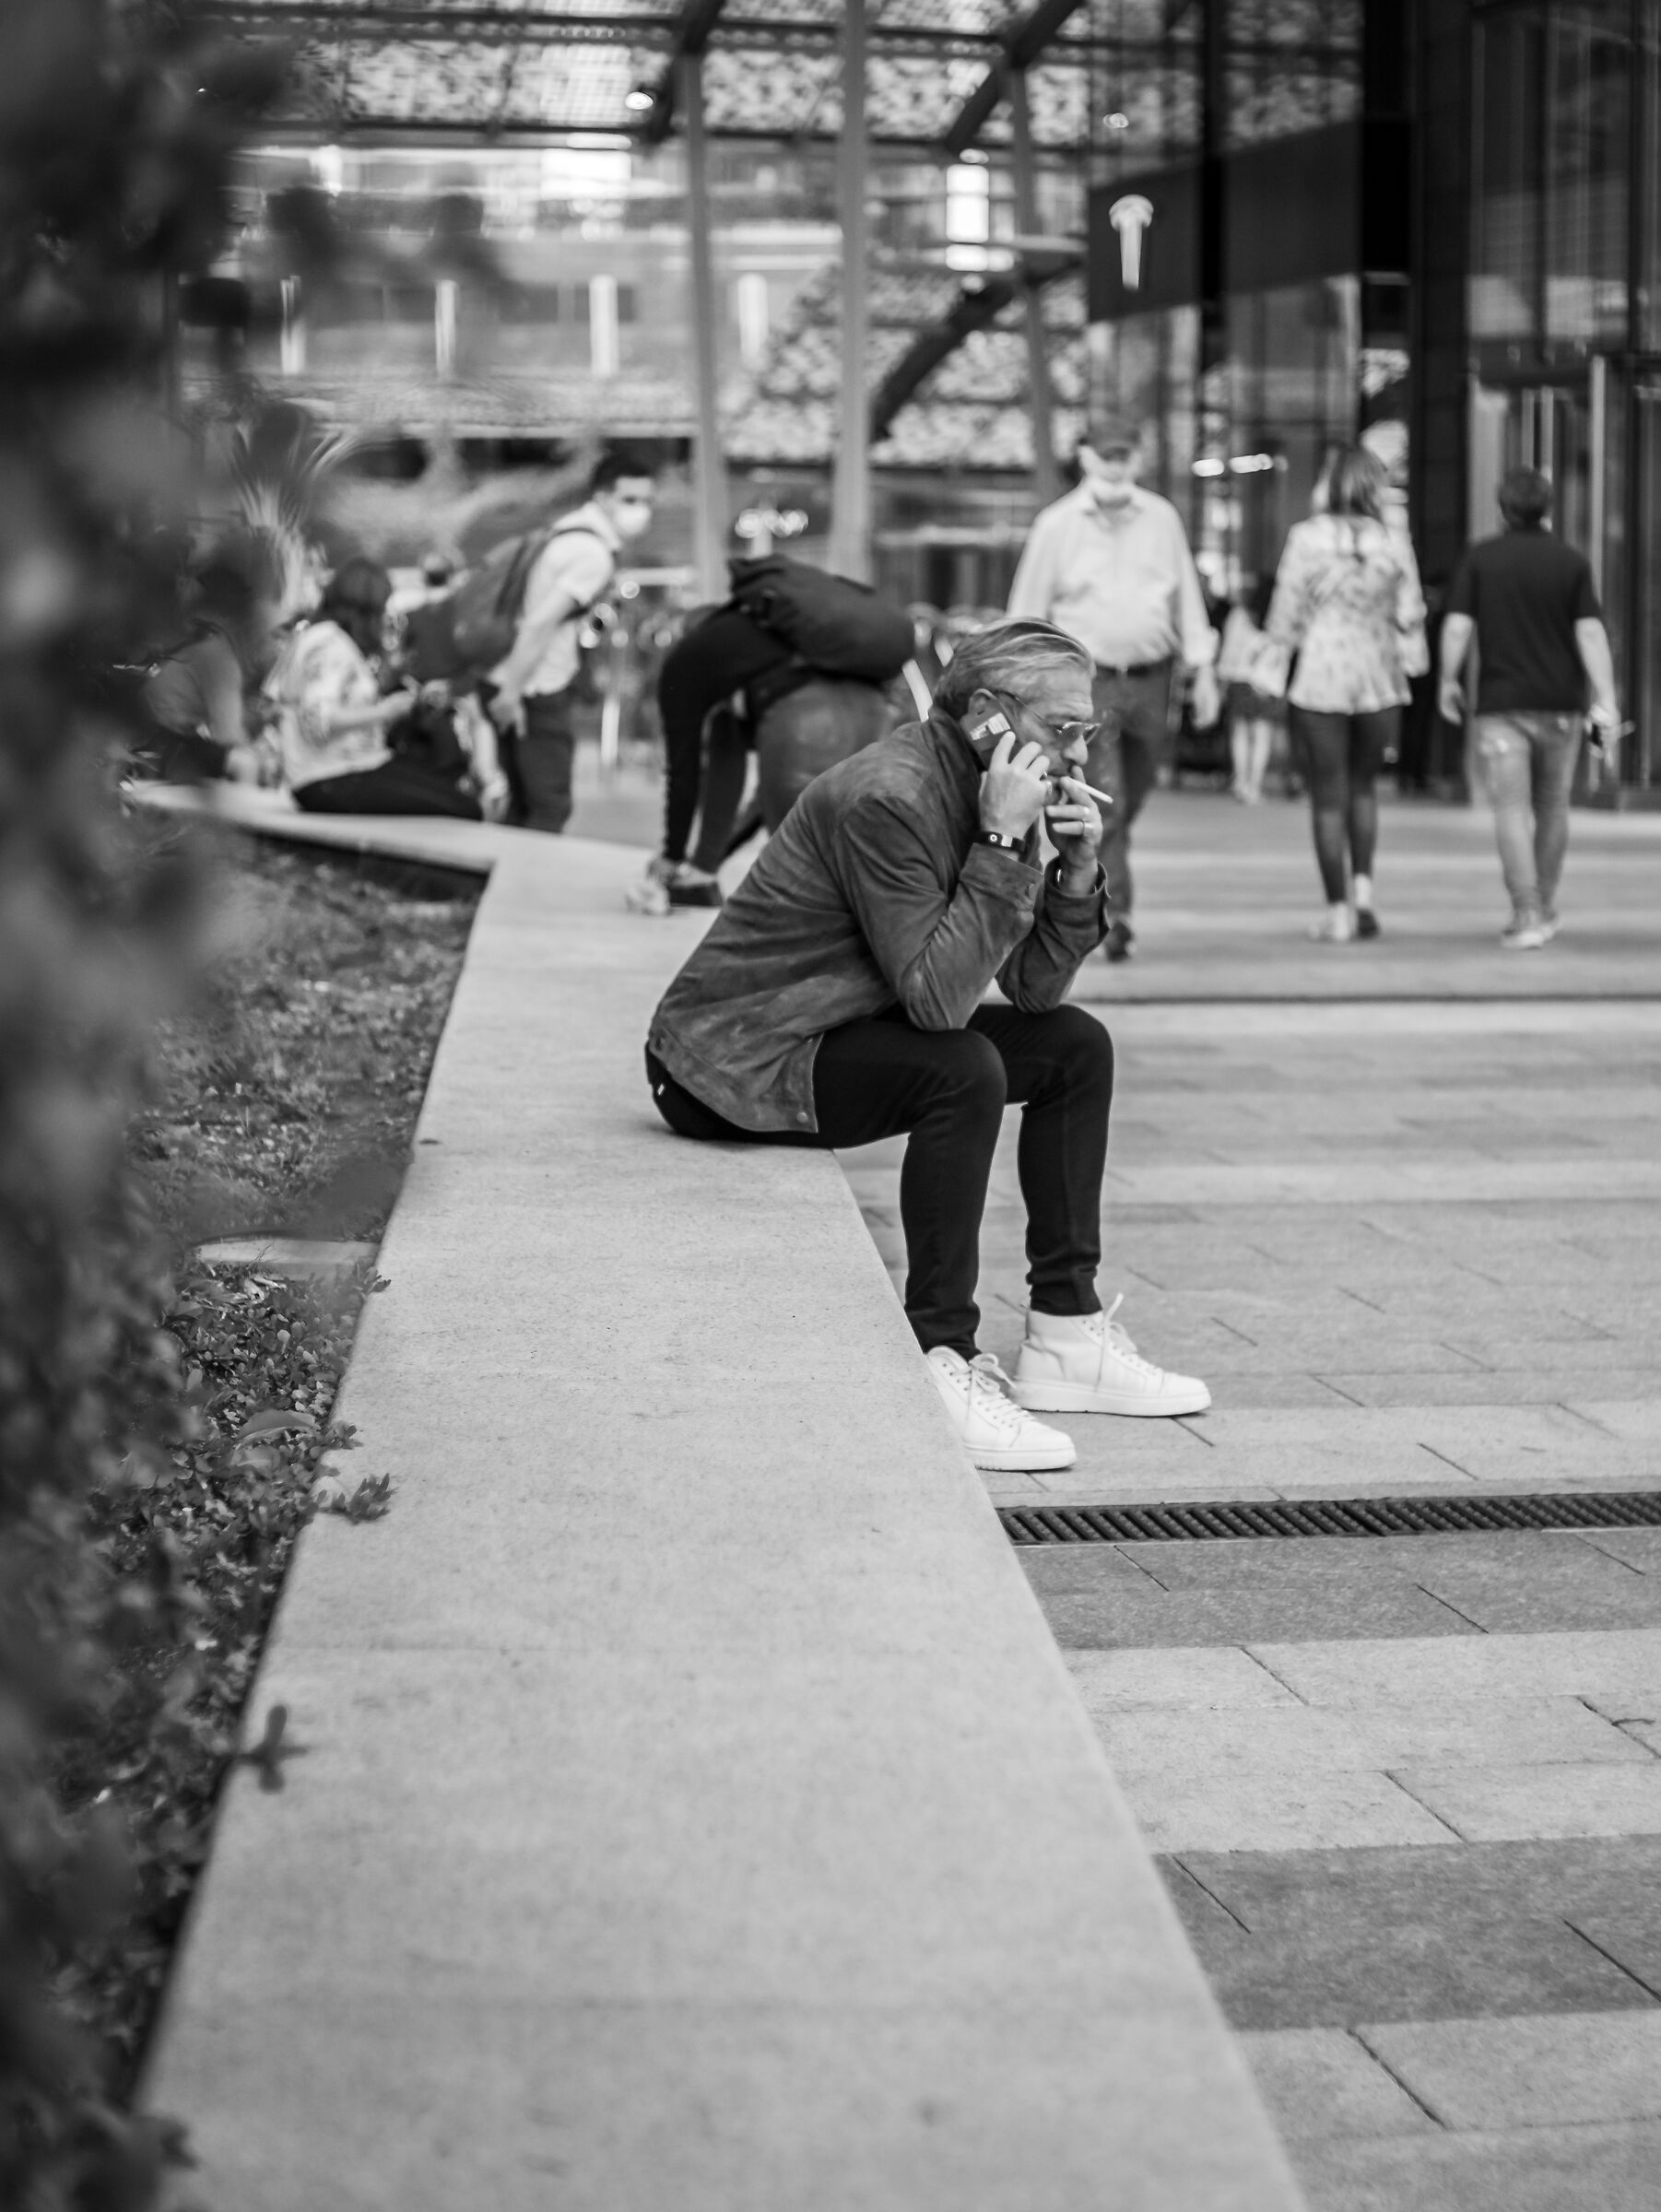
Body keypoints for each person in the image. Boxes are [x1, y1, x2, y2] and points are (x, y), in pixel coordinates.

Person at [643, 618, 1210, 1475]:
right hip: (732, 1063)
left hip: (843, 1024)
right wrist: (998, 842)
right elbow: (942, 1005)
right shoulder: (893, 797)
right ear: (987, 714)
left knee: (1075, 1047)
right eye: (1063, 731)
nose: (1080, 756)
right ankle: (942, 1352)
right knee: (962, 1070)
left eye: (1088, 733)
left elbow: (1034, 994)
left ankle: (1064, 1333)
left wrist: (1075, 872)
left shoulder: (988, 791)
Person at [1007, 411, 1220, 961]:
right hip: (1085, 686)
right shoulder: (1057, 525)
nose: (1116, 465)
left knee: (1138, 789)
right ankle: (1114, 911)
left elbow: (1187, 602)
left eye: (1125, 455)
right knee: (1109, 798)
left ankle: (1101, 884)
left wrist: (1205, 671)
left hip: (1153, 679)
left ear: (1139, 459)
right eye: (1107, 456)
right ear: (1085, 457)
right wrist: (1020, 685)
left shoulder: (1162, 518)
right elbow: (1026, 609)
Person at [1438, 466, 1621, 949]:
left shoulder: (1482, 559)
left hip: (1501, 705)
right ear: (1549, 508)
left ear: (1502, 508)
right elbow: (1590, 632)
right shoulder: (1571, 562)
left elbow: (1457, 626)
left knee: (1511, 808)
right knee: (1553, 806)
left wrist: (1446, 680)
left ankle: (1526, 911)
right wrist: (1607, 696)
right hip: (1562, 705)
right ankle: (1544, 903)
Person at [1263, 446, 1426, 942]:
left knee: (1328, 796)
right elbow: (1411, 611)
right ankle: (1364, 896)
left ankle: (1337, 912)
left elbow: (1285, 613)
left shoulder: (1306, 538)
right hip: (1379, 678)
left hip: (1321, 677)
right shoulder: (1393, 541)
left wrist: (1274, 657)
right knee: (1363, 789)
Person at [637, 600, 897, 912]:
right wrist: (702, 869)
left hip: (808, 719)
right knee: (859, 841)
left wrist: (672, 855)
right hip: (875, 712)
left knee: (805, 871)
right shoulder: (772, 645)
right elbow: (757, 796)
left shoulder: (690, 661)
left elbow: (683, 772)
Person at [487, 450, 658, 833]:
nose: (641, 511)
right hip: (534, 688)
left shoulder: (565, 530)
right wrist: (512, 694)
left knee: (522, 806)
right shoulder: (590, 552)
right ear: (602, 497)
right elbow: (538, 624)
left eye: (647, 501)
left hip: (508, 676)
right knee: (550, 807)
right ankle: (527, 888)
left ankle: (510, 885)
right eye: (630, 500)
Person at [266, 557, 483, 818]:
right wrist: (386, 711)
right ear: (367, 606)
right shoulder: (330, 644)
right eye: (382, 607)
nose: (385, 615)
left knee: (452, 795)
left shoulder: (324, 637)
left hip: (350, 768)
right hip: (330, 777)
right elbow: (319, 722)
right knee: (464, 809)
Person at [141, 547, 277, 783]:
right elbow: (229, 735)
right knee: (246, 764)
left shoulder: (204, 644)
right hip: (158, 740)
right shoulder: (218, 657)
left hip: (153, 735)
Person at [1215, 577, 1283, 805]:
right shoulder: (1279, 618)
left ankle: (1241, 782)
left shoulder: (1240, 616)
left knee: (1240, 734)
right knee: (1262, 737)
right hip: (1268, 683)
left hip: (1240, 680)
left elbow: (1229, 650)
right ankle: (1255, 785)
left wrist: (1222, 679)